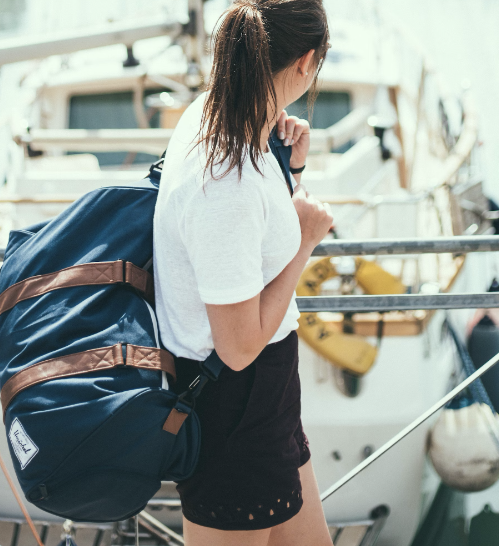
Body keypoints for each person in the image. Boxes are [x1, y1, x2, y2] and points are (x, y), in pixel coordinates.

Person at [153, 1, 334, 544]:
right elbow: (236, 345)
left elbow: (246, 247)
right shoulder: (225, 177)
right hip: (233, 407)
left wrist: (290, 169)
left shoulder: (218, 115)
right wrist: (304, 243)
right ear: (305, 62)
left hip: (267, 400)